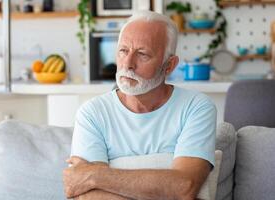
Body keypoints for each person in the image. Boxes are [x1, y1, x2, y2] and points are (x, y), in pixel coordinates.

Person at [63, 10, 217, 200]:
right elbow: (86, 196)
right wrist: (164, 185)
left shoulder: (196, 107)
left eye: (142, 54)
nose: (128, 64)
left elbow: (184, 186)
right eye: (123, 51)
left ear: (169, 65)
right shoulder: (92, 113)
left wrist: (95, 175)